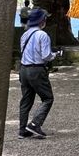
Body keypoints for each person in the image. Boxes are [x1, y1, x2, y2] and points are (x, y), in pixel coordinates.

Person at [18, 7, 58, 139]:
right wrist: (55, 55)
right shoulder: (43, 35)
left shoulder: (25, 35)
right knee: (47, 98)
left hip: (23, 69)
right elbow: (46, 56)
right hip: (36, 70)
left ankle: (22, 130)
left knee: (26, 100)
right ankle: (35, 124)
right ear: (42, 21)